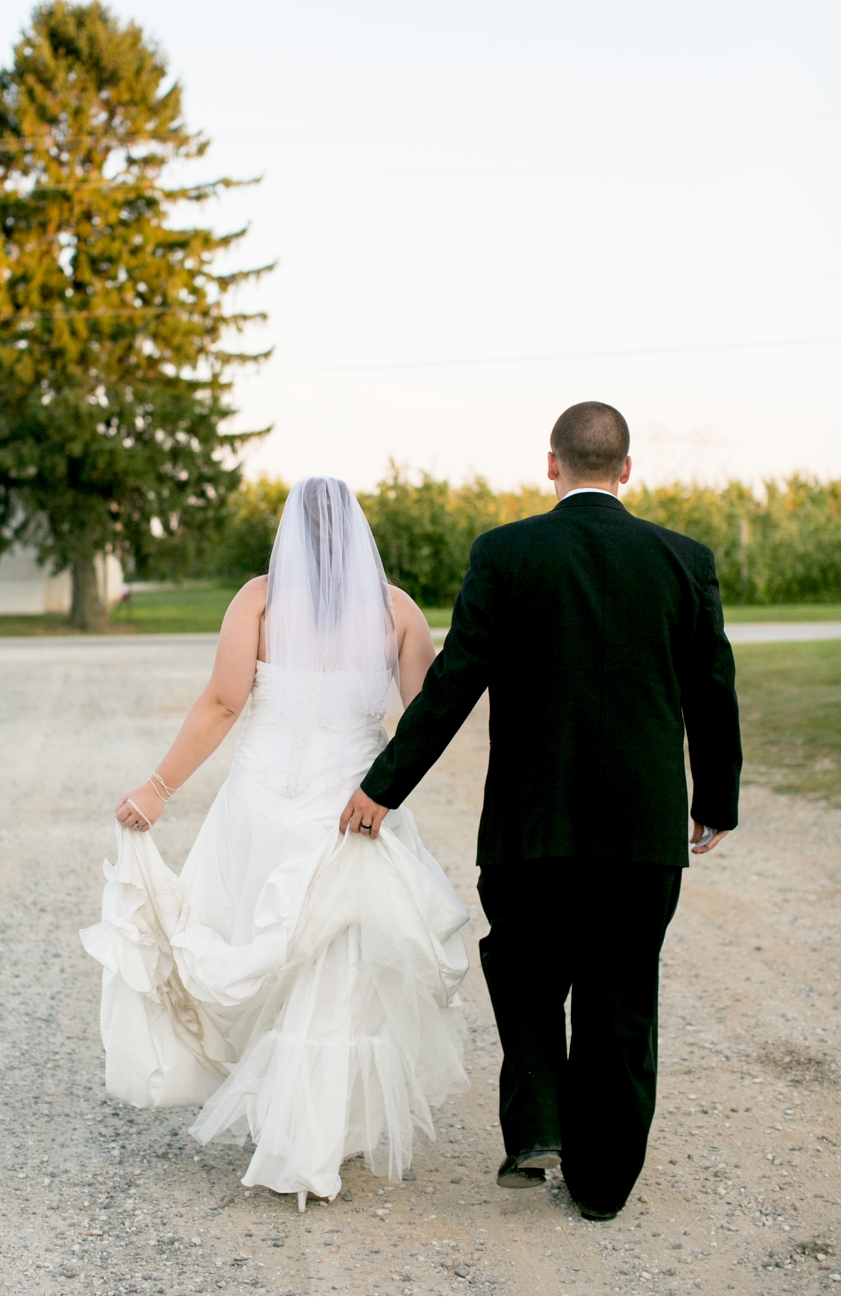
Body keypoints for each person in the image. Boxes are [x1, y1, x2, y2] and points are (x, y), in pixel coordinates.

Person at [341, 402, 742, 1222]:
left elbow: (453, 683)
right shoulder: (683, 560)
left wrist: (383, 785)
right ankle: (602, 1187)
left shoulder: (506, 552)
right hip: (640, 833)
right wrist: (717, 800)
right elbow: (713, 691)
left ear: (551, 464)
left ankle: (536, 1128)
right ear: (625, 470)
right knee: (621, 996)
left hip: (531, 826)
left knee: (523, 973)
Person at [81, 477, 470, 1212]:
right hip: (353, 809)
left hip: (263, 805)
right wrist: (390, 791)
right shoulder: (397, 611)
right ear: (358, 533)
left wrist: (158, 788)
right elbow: (426, 715)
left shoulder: (258, 599)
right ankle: (314, 1133)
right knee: (335, 970)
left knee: (264, 950)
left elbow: (226, 702)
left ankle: (297, 1132)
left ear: (290, 529)